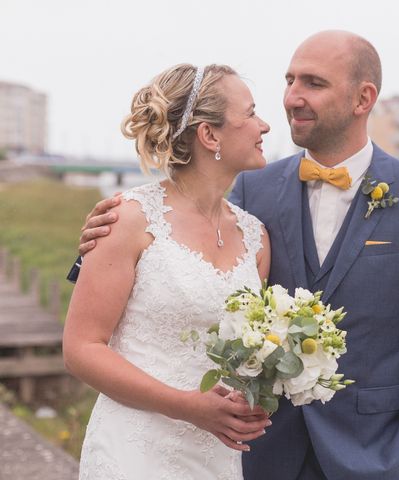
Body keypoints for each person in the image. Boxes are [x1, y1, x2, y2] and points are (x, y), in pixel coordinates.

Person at [72, 30, 399, 479]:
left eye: (313, 83)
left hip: (372, 455)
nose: (291, 98)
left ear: (363, 98)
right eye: (289, 80)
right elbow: (173, 239)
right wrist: (92, 243)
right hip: (260, 453)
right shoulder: (254, 190)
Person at [63, 63, 272, 479]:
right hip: (133, 450)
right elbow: (81, 348)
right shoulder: (128, 220)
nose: (264, 125)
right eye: (250, 113)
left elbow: (247, 350)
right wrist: (188, 406)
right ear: (209, 135)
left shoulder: (256, 238)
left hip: (216, 455)